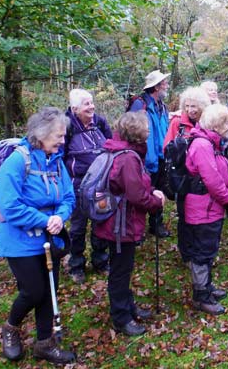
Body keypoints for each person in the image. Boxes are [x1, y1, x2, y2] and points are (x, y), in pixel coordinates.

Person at [0, 107, 76, 364]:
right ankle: (11, 328)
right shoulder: (18, 161)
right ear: (41, 134)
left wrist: (59, 217)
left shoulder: (56, 161)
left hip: (50, 239)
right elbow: (9, 206)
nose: (63, 141)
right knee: (34, 291)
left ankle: (44, 344)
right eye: (59, 136)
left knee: (49, 290)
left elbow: (69, 196)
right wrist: (44, 219)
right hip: (20, 242)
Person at [93, 112, 165, 335]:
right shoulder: (128, 158)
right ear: (137, 133)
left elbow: (134, 187)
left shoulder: (121, 151)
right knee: (120, 271)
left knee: (122, 268)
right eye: (146, 128)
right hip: (120, 224)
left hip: (119, 221)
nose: (149, 131)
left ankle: (128, 307)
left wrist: (151, 191)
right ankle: (121, 318)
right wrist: (156, 202)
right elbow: (136, 196)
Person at [183, 104, 228, 314]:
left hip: (211, 208)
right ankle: (200, 296)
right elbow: (212, 180)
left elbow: (225, 172)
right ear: (216, 125)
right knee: (202, 253)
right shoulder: (202, 145)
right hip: (203, 209)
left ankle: (206, 287)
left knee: (209, 250)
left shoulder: (213, 143)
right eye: (227, 122)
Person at [64, 88, 113, 284]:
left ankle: (100, 260)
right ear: (74, 108)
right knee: (78, 227)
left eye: (92, 102)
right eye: (86, 103)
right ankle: (76, 265)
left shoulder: (99, 122)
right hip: (78, 187)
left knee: (102, 221)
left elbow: (111, 145)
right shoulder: (66, 127)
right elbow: (59, 156)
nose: (91, 106)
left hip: (102, 184)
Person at [162, 87, 211, 262]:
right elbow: (166, 148)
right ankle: (187, 254)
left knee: (203, 215)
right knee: (185, 216)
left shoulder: (207, 121)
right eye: (188, 106)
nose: (191, 110)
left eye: (194, 106)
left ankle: (202, 250)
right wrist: (179, 150)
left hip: (203, 176)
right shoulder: (178, 123)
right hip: (183, 177)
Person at [129, 69, 171, 238]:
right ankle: (136, 231)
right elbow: (132, 130)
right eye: (164, 84)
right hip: (145, 159)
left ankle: (156, 224)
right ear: (156, 87)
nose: (166, 86)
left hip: (161, 158)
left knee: (158, 191)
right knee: (140, 195)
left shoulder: (161, 106)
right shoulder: (140, 105)